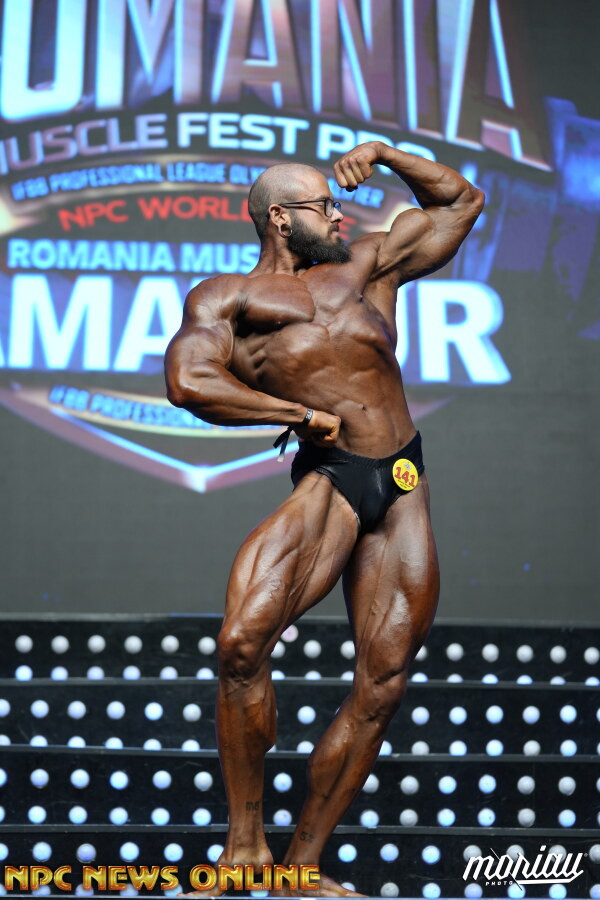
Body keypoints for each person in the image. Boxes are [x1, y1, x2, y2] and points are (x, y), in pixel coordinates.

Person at [165, 141, 484, 897]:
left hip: (402, 481)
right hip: (332, 481)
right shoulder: (229, 298)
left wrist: (386, 154)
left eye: (337, 204)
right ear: (280, 218)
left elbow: (460, 203)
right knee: (241, 644)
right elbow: (188, 379)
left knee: (383, 682)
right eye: (323, 207)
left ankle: (303, 867)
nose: (340, 216)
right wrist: (296, 414)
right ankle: (245, 849)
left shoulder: (368, 264)